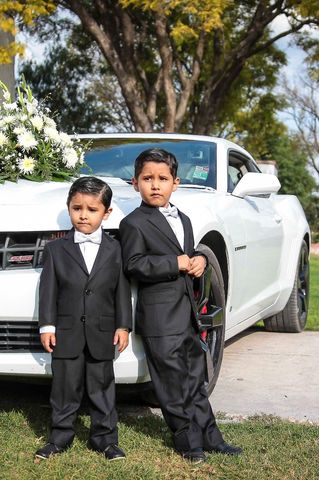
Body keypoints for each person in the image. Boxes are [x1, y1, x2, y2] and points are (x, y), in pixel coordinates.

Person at [119, 148, 242, 463]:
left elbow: (188, 254)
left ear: (176, 183)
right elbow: (134, 263)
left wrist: (199, 259)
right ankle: (189, 442)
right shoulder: (133, 223)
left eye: (163, 179)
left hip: (186, 315)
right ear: (136, 183)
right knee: (172, 385)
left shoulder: (184, 218)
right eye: (148, 179)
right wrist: (176, 262)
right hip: (159, 318)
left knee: (194, 380)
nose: (155, 185)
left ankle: (212, 437)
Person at [35, 176, 132, 462]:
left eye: (92, 209)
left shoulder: (116, 250)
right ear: (69, 208)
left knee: (102, 388)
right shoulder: (55, 250)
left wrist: (123, 325)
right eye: (77, 208)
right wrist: (47, 326)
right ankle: (59, 437)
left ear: (107, 213)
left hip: (102, 332)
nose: (83, 215)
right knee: (64, 389)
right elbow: (48, 291)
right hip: (66, 332)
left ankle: (105, 439)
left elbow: (121, 291)